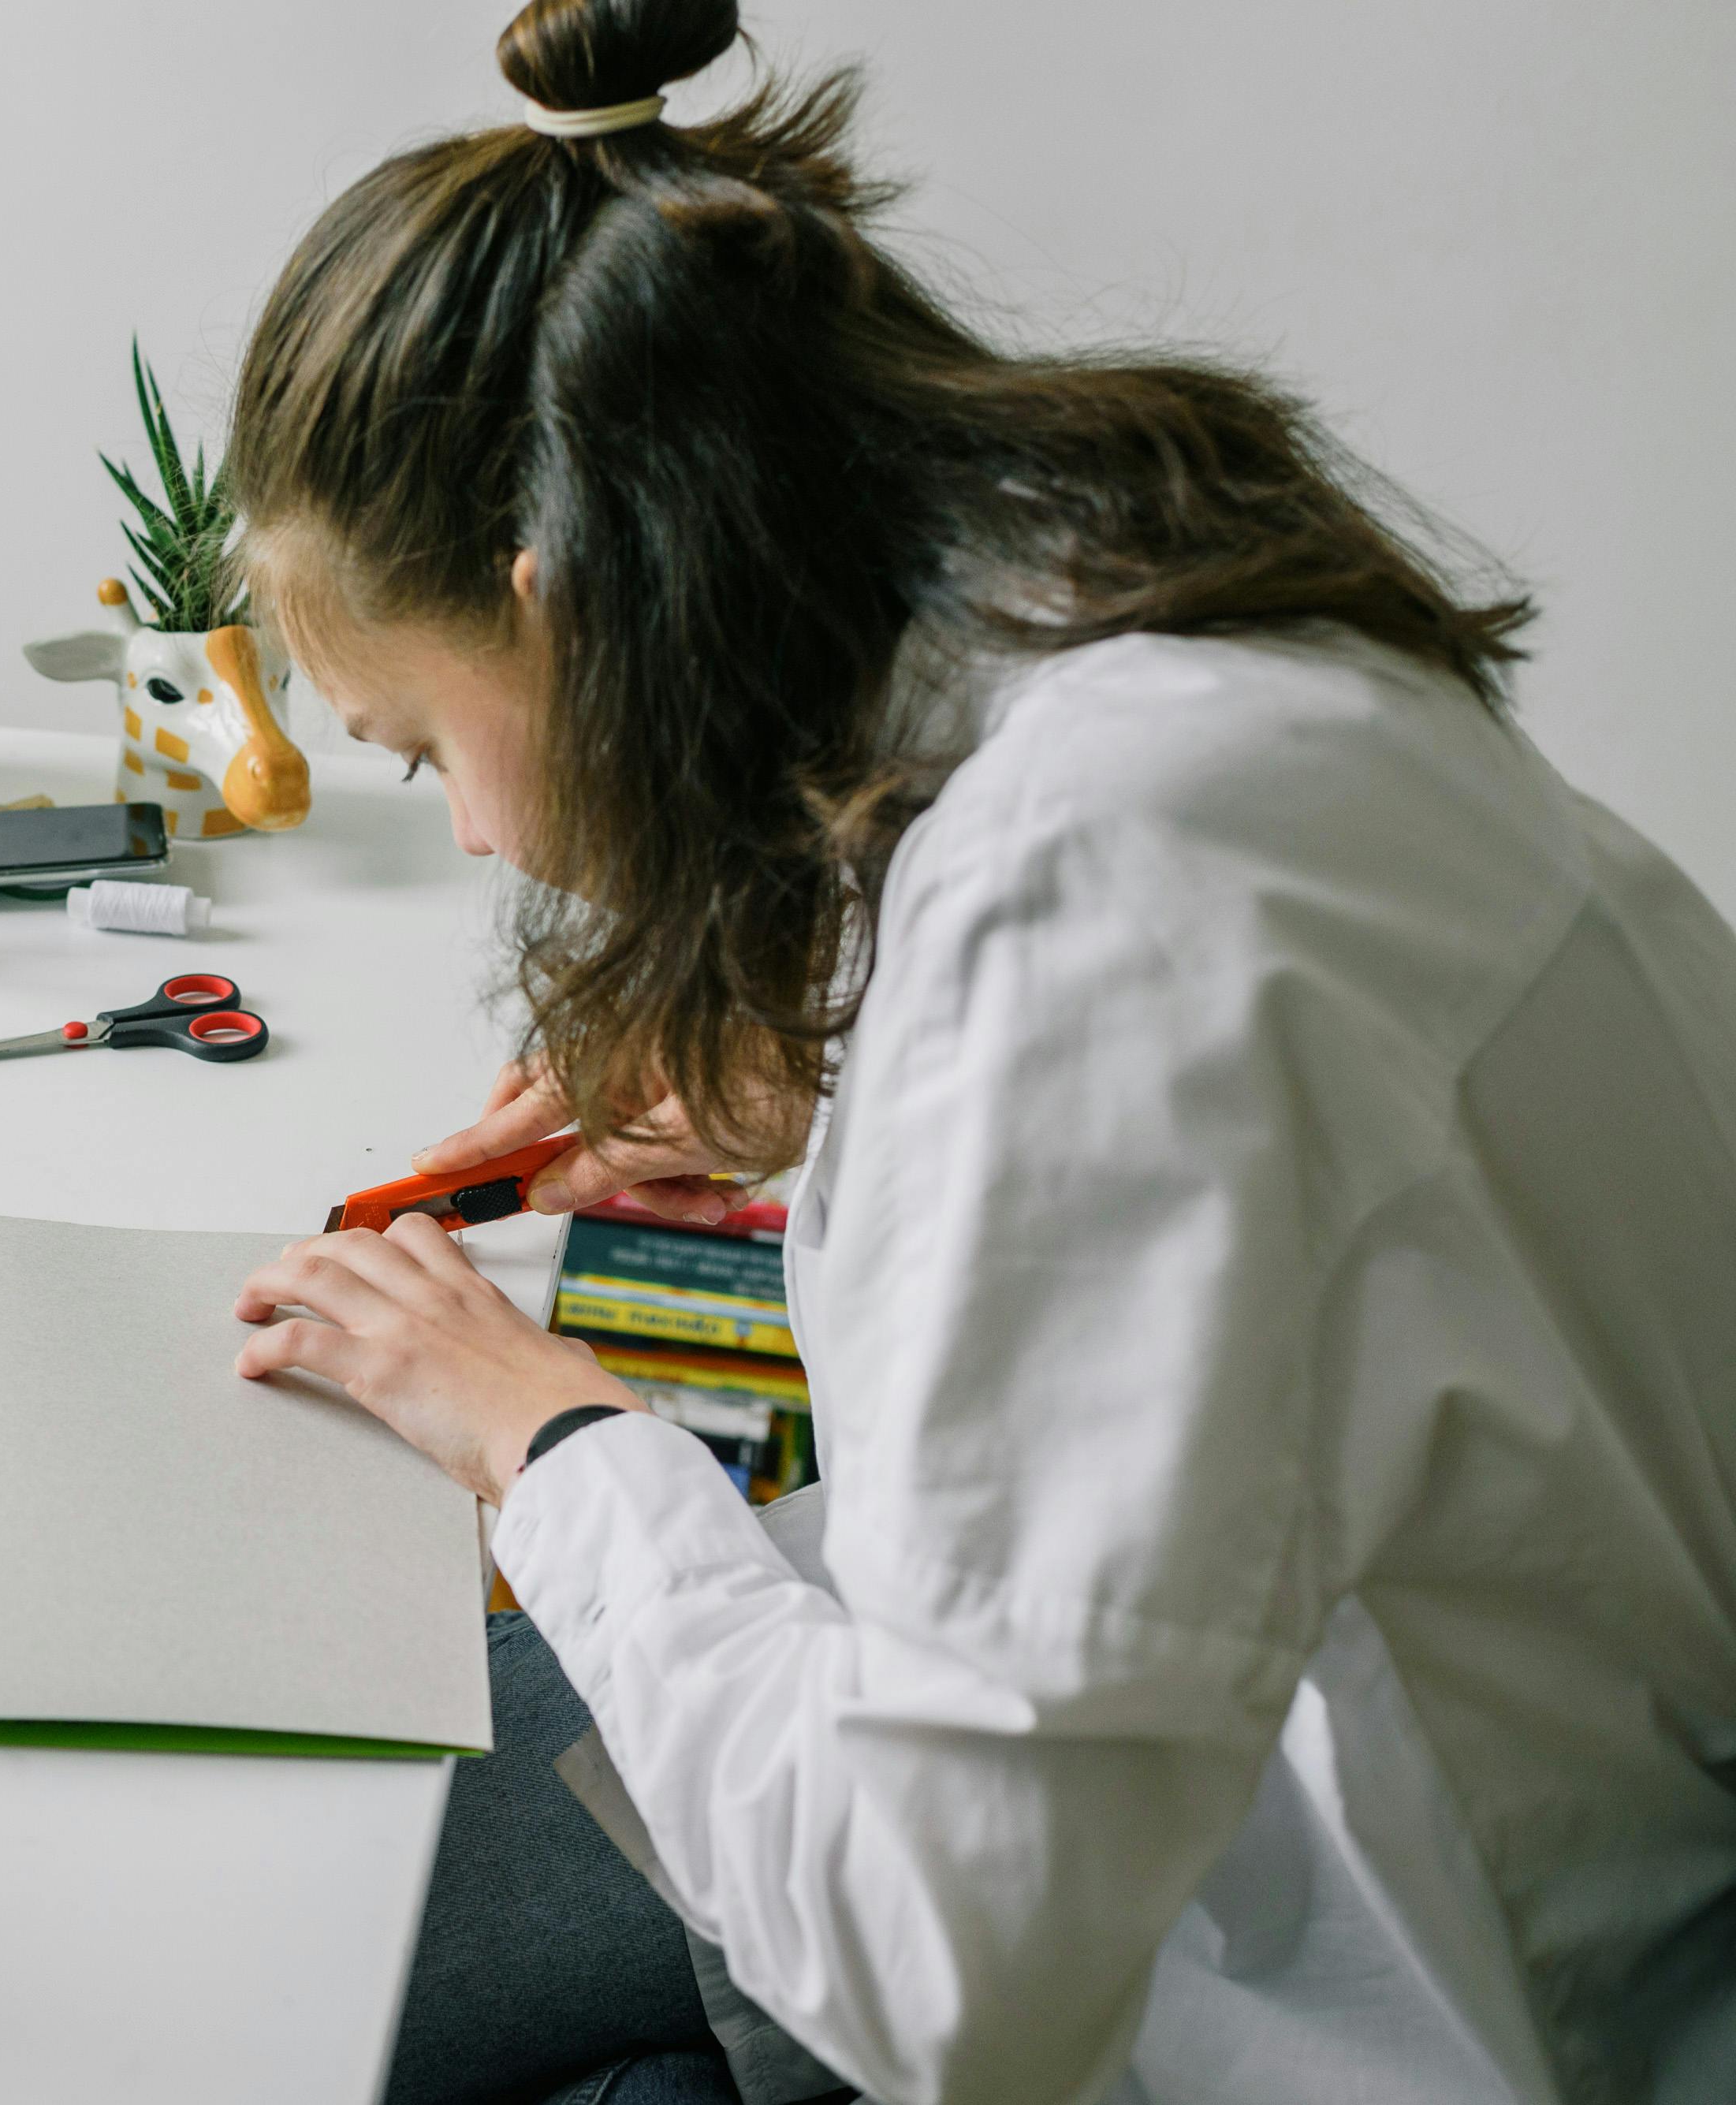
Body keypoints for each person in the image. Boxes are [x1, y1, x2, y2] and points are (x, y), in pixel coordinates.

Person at [218, 3, 1736, 2102]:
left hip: (1395, 2005)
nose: (475, 835)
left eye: (418, 748)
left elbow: (952, 1986)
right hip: (1397, 1816)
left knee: (292, 1999)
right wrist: (824, 1113)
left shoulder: (1097, 905)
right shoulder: (1164, 653)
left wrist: (554, 1445)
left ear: (558, 604)